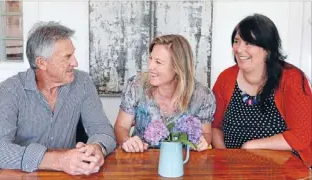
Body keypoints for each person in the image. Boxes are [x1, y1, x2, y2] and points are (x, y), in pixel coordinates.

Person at [0, 21, 116, 178]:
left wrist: (97, 147)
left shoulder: (82, 82)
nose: (75, 63)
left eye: (73, 54)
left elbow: (103, 130)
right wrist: (58, 161)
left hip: (67, 173)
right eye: (67, 57)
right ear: (42, 63)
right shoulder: (10, 89)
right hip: (19, 173)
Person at [211, 14, 312, 168]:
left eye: (249, 42)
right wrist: (225, 159)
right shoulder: (226, 78)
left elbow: (301, 136)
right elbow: (215, 127)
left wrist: (250, 146)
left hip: (284, 170)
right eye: (237, 41)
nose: (239, 49)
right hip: (234, 169)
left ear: (267, 49)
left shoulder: (292, 78)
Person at [114, 34, 216, 153]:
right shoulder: (136, 85)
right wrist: (127, 140)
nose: (150, 66)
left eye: (158, 62)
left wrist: (204, 141)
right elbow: (121, 127)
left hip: (183, 163)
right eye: (151, 58)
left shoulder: (203, 96)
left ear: (178, 67)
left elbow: (206, 133)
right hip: (141, 161)